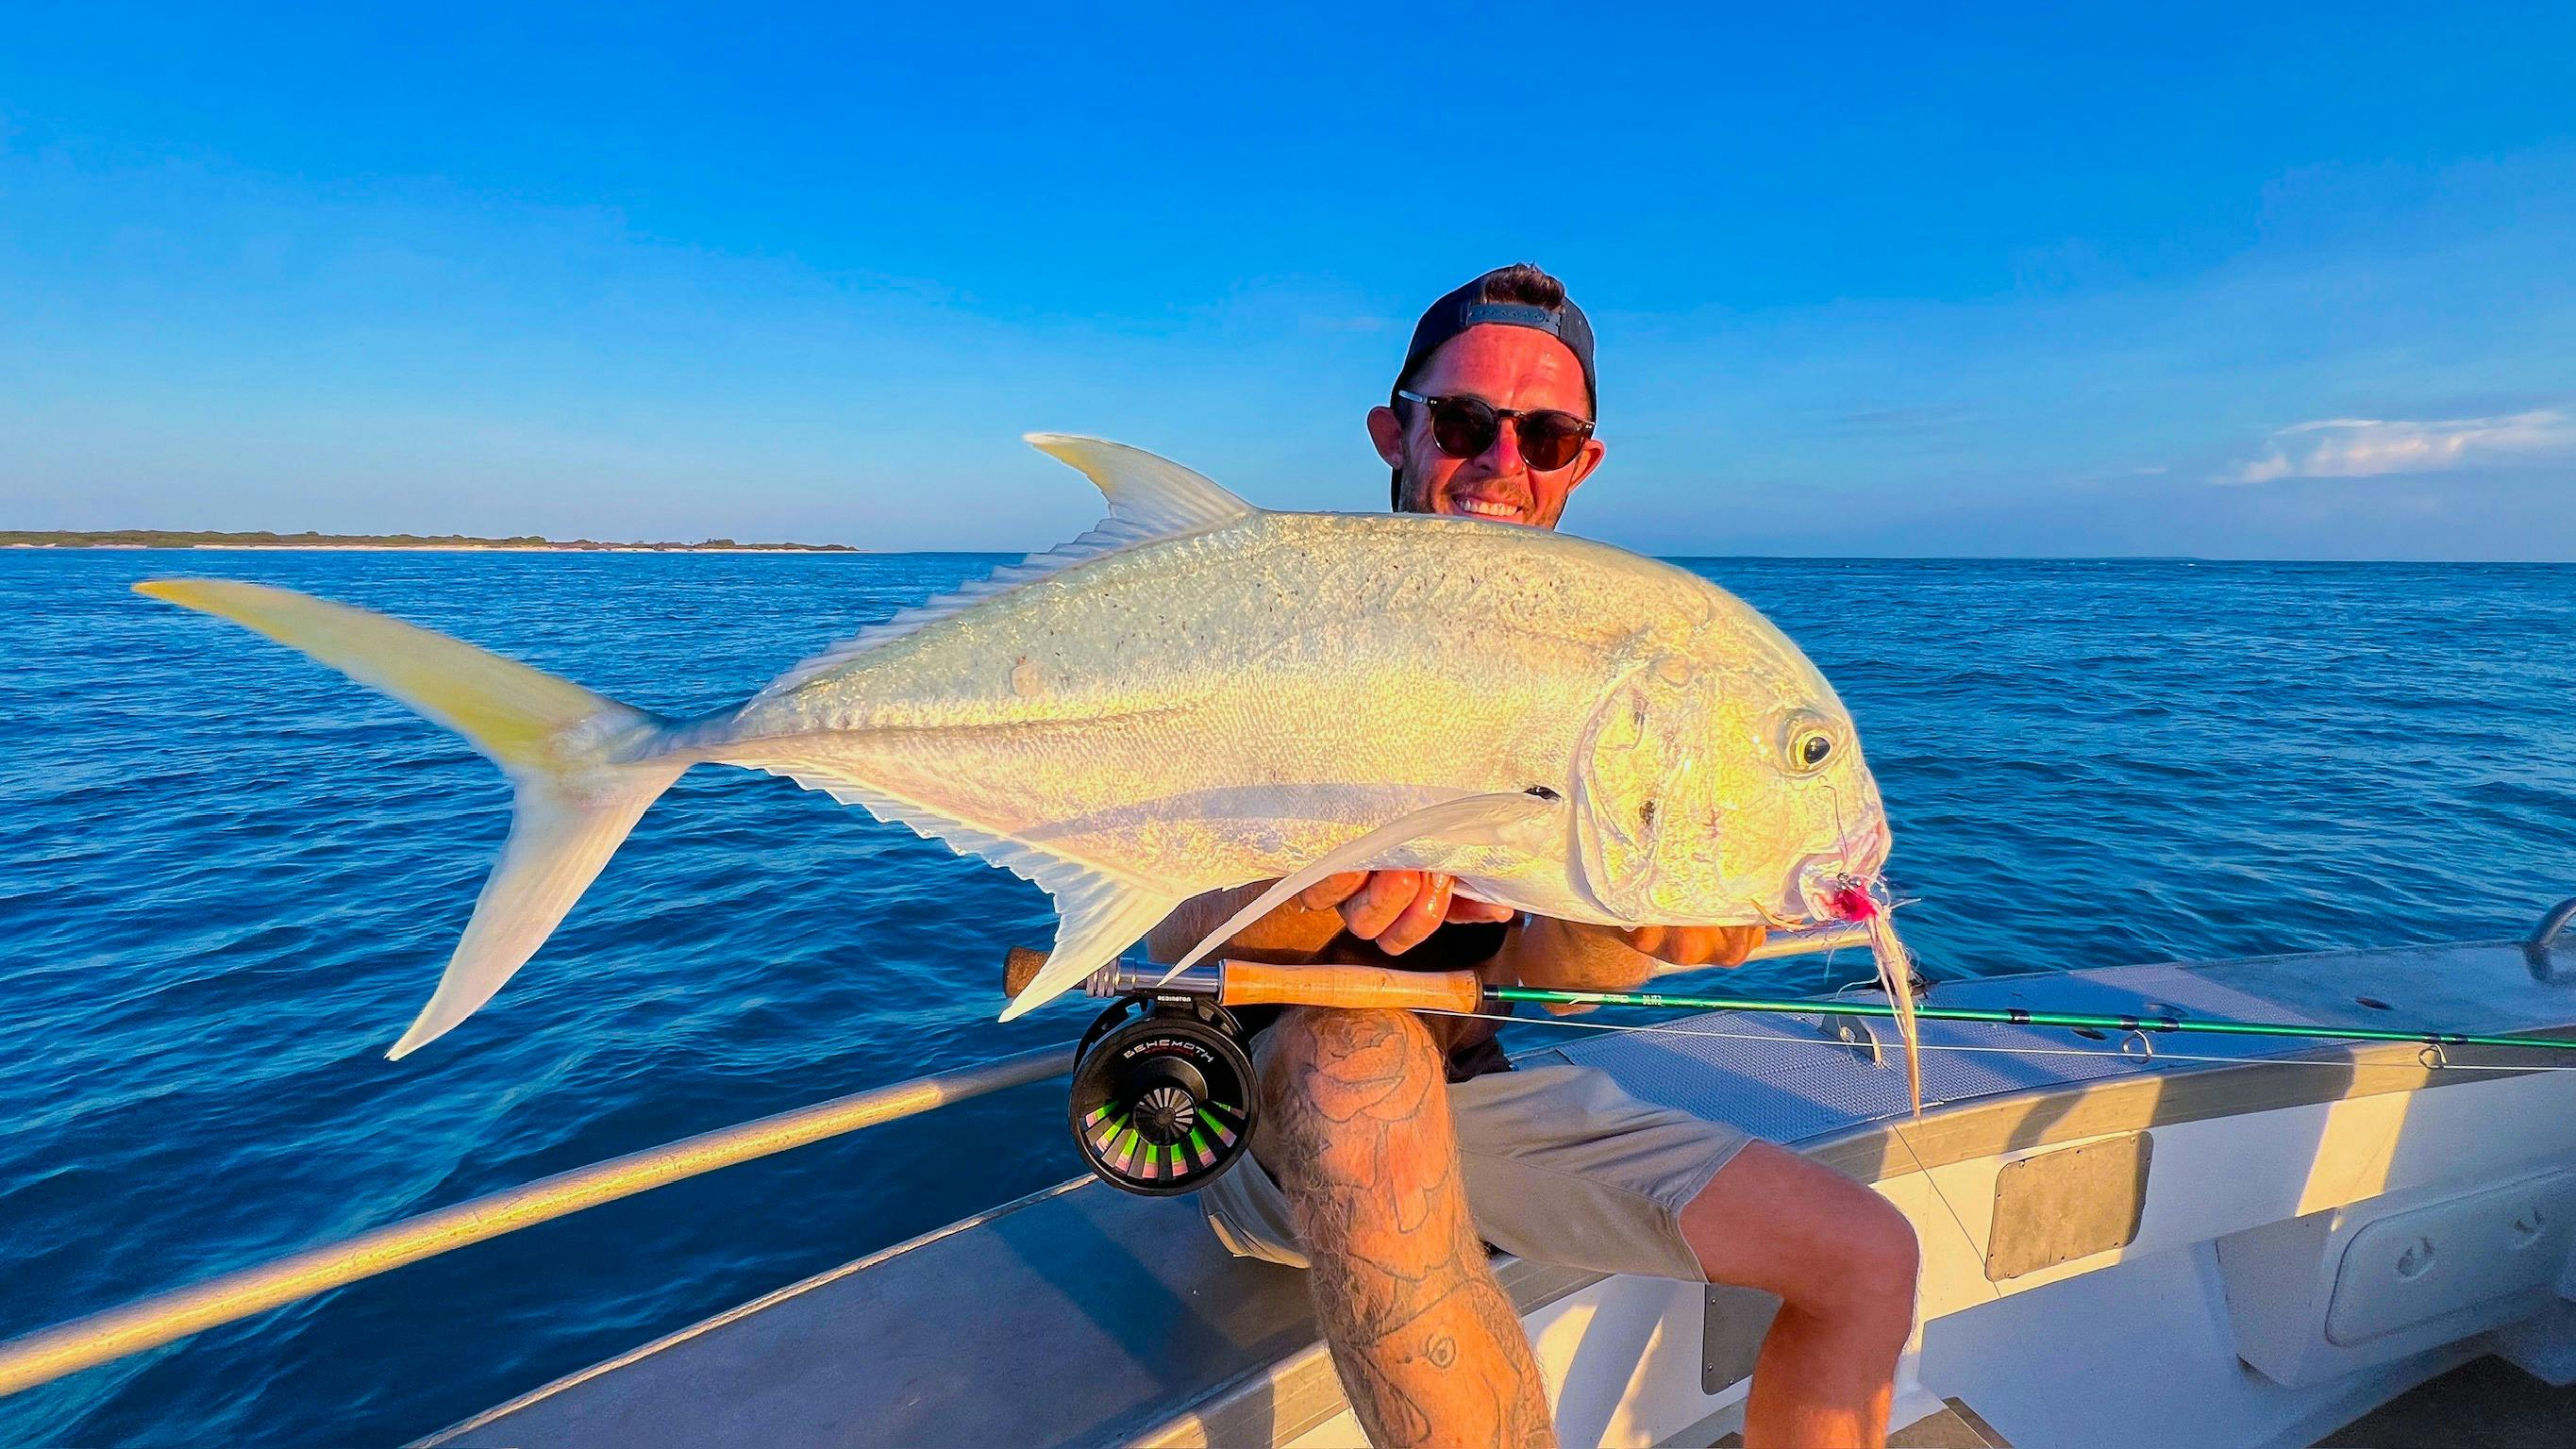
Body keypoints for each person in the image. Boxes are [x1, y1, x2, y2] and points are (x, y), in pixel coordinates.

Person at [1152, 265, 1920, 1449]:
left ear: (1583, 463)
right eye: (1463, 421)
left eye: (1546, 434)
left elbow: (1512, 964)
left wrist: (1633, 936)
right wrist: (1312, 900)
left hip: (1466, 1091)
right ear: (1393, 432)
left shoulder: (1581, 667)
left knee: (1870, 1255)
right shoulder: (1289, 619)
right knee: (1361, 1060)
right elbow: (1171, 917)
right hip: (1273, 1106)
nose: (1502, 462)